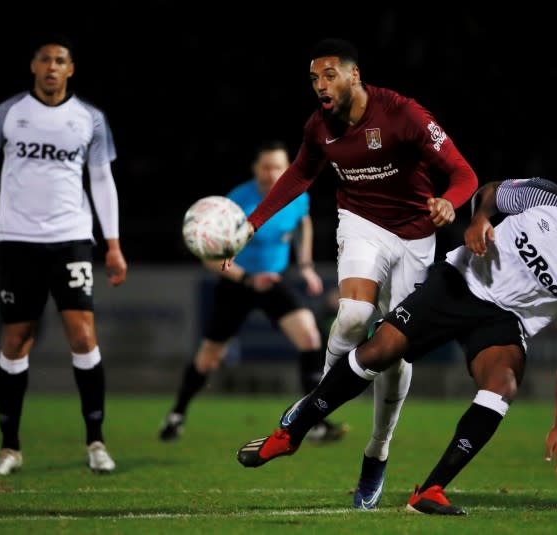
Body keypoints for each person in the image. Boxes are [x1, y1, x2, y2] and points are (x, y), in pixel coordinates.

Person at [236, 175, 557, 516]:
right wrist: (478, 219)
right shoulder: (545, 196)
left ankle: (430, 490)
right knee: (379, 350)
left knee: (503, 384)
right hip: (460, 281)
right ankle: (291, 435)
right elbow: (491, 192)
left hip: (504, 320)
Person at [224, 38, 479, 510]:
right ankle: (313, 408)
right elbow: (299, 176)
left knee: (396, 355)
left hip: (417, 235)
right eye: (313, 78)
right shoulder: (319, 127)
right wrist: (251, 224)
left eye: (328, 75)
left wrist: (450, 202)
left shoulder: (405, 115)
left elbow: (465, 175)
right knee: (353, 315)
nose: (320, 85)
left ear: (354, 75)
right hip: (361, 224)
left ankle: (377, 452)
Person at [0, 34, 127, 475]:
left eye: (60, 60)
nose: (51, 67)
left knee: (83, 336)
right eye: (44, 59)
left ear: (71, 70)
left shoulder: (89, 118)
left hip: (71, 238)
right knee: (15, 341)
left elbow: (102, 180)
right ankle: (10, 447)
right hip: (16, 240)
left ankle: (96, 441)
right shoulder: (9, 113)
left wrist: (113, 243)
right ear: (33, 67)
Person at [159, 140, 348, 443]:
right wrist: (247, 279)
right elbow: (209, 256)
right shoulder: (234, 203)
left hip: (275, 280)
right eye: (266, 167)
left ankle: (312, 421)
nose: (273, 174)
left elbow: (303, 223)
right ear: (255, 169)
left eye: (279, 167)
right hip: (238, 284)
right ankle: (176, 415)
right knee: (209, 357)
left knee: (310, 337)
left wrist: (306, 264)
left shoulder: (296, 194)